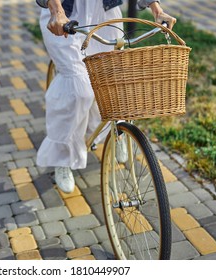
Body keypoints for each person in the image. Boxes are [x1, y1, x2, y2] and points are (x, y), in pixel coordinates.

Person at [35, 0, 176, 193]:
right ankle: (63, 157)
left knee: (114, 77)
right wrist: (57, 11)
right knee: (80, 89)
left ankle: (115, 132)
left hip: (105, 11)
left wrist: (157, 10)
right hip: (65, 12)